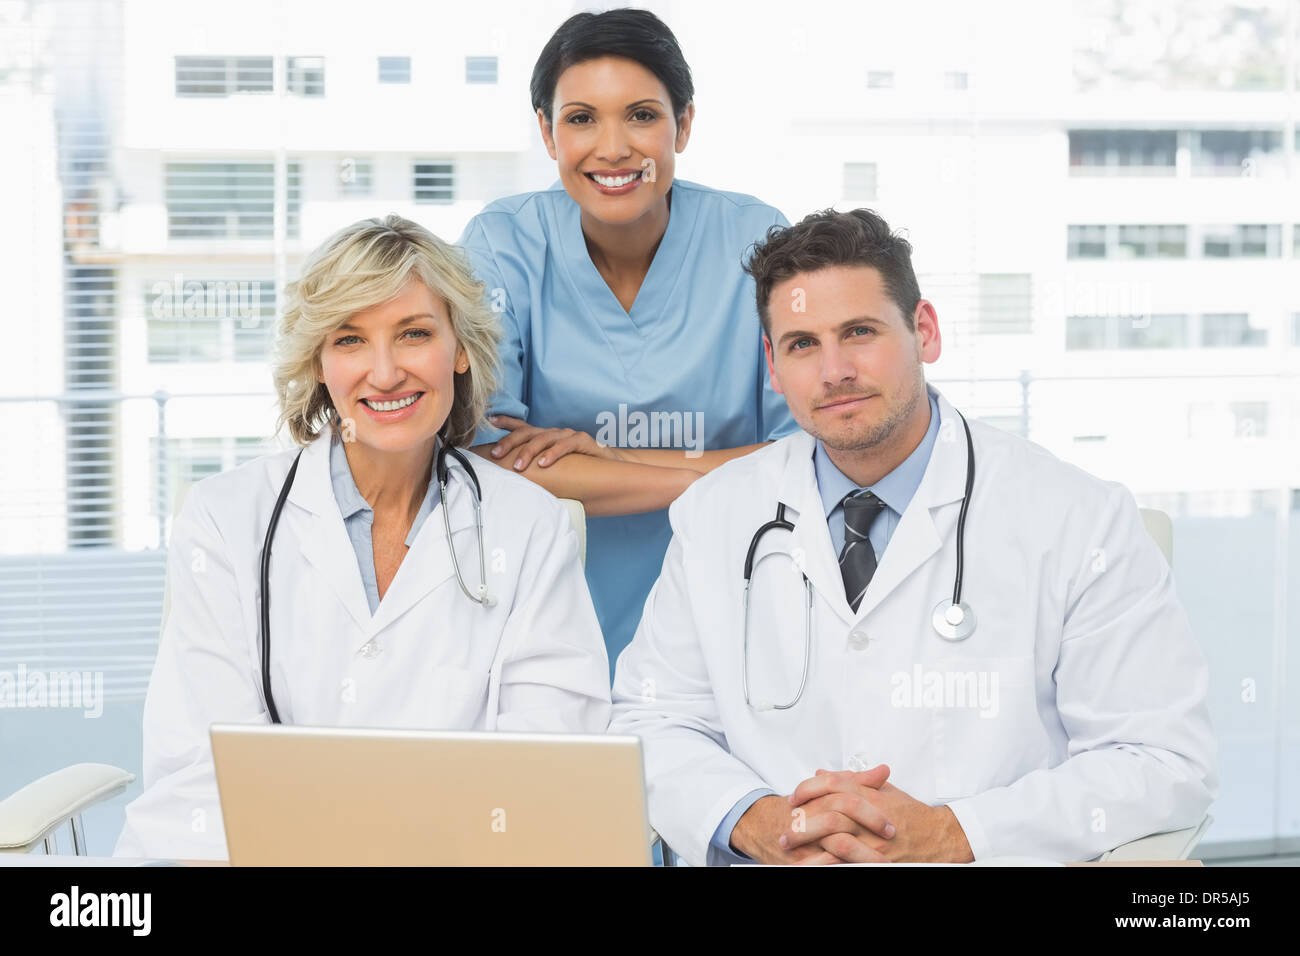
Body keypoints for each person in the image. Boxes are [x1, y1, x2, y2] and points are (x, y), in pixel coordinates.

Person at [608, 208, 1217, 866]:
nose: (834, 369)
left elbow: (1162, 762)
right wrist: (761, 823)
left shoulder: (1078, 517)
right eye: (802, 343)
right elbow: (651, 721)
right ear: (773, 364)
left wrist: (955, 832)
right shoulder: (715, 516)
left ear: (924, 331)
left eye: (859, 332)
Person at [115, 215, 610, 860]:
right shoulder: (225, 520)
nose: (384, 373)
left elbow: (548, 758)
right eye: (350, 340)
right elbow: (203, 766)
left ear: (460, 350)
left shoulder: (531, 526)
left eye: (414, 334)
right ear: (320, 364)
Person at [458, 8, 797, 670]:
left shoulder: (757, 239)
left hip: (741, 616)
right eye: (581, 118)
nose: (612, 148)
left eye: (641, 115)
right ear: (547, 133)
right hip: (555, 626)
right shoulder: (503, 243)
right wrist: (718, 472)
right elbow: (495, 465)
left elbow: (809, 456)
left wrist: (605, 461)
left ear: (685, 125)